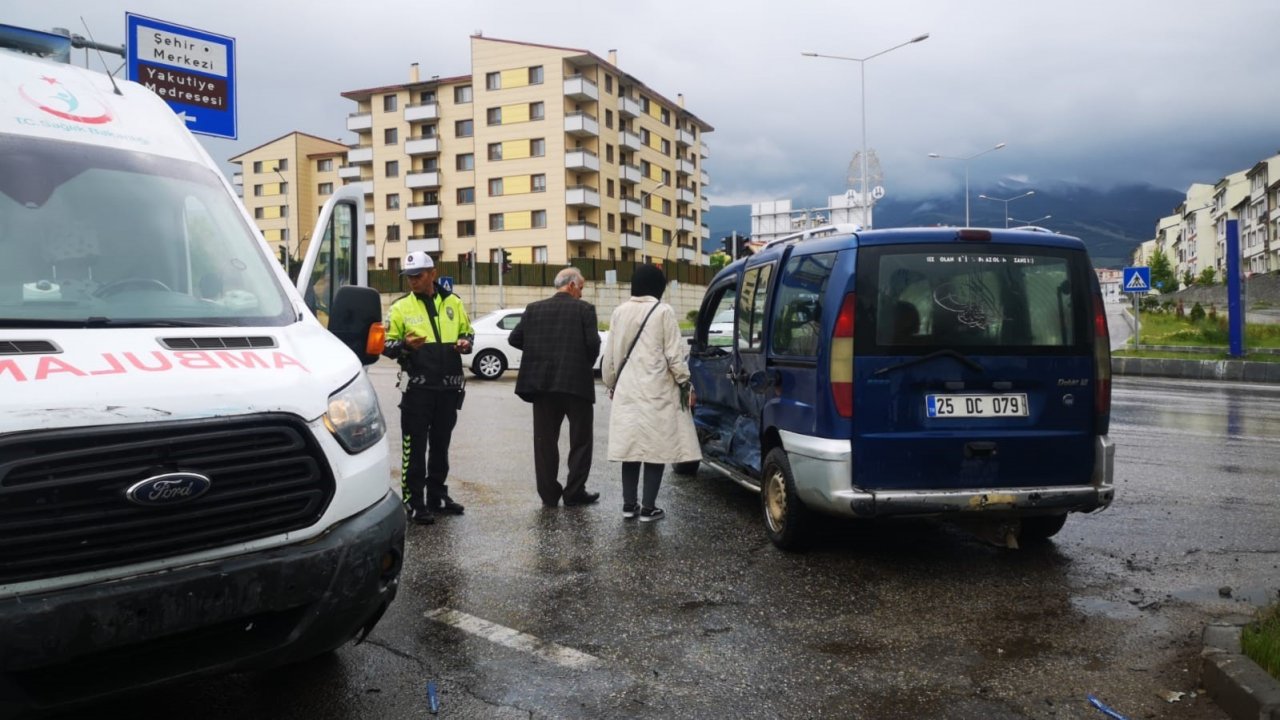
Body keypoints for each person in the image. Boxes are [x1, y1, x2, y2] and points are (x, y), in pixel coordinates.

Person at [601, 264, 700, 522]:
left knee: (630, 448)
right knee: (656, 447)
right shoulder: (663, 311)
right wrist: (686, 384)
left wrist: (611, 383)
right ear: (658, 287)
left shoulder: (619, 311)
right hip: (657, 390)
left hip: (627, 390)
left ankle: (628, 505)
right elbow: (674, 355)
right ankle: (648, 508)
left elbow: (611, 355)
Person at [382, 251, 473, 526]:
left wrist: (465, 343)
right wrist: (406, 346)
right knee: (415, 445)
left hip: (448, 388)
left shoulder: (454, 303)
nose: (412, 281)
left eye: (418, 276)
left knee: (441, 445)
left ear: (432, 273)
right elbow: (386, 345)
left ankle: (437, 496)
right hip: (417, 390)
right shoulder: (400, 307)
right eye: (408, 277)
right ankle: (413, 501)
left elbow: (467, 333)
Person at [508, 267, 602, 508]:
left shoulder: (534, 309)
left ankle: (549, 495)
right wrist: (582, 364)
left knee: (544, 441)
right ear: (571, 285)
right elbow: (593, 343)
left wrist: (539, 353)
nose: (581, 293)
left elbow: (514, 339)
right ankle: (574, 492)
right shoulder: (584, 309)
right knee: (581, 440)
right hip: (576, 384)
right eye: (581, 288)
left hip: (542, 384)